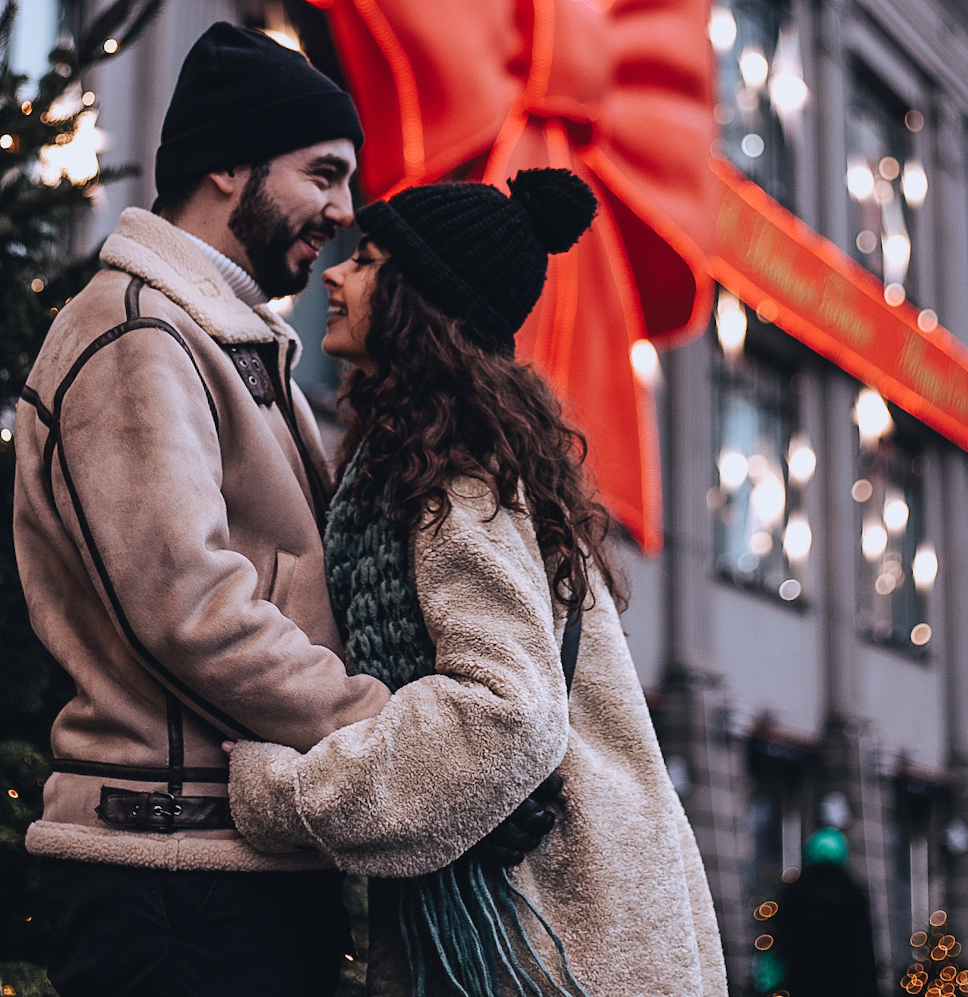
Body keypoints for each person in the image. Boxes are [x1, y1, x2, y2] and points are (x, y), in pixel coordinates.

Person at [227, 169, 729, 997]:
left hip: (555, 940)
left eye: (371, 261)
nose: (336, 274)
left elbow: (504, 715)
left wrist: (284, 794)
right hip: (582, 922)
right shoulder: (461, 455)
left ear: (419, 300)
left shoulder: (451, 475)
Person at [14, 22, 391, 997]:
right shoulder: (137, 331)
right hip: (173, 883)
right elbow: (189, 605)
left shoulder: (213, 335)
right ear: (231, 161)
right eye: (323, 172)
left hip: (222, 867)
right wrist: (384, 726)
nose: (342, 210)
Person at [768, 828, 879, 997]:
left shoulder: (796, 892)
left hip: (804, 979)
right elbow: (864, 948)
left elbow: (783, 937)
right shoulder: (852, 894)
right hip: (845, 981)